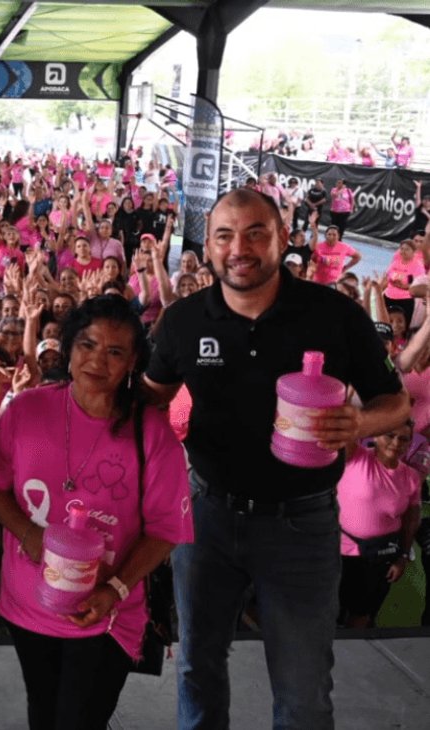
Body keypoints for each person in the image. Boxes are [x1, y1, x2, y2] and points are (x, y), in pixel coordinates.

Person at [143, 188, 408, 729]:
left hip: (302, 523)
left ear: (283, 238)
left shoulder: (334, 315)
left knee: (304, 685)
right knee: (197, 666)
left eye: (255, 232)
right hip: (206, 517)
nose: (239, 247)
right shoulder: (183, 321)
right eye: (224, 235)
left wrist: (359, 423)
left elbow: (395, 400)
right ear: (210, 246)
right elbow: (149, 399)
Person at [0, 294, 192, 730]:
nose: (98, 360)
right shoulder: (26, 410)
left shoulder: (151, 434)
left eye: (115, 351)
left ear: (134, 361)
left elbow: (165, 530)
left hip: (107, 615)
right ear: (68, 347)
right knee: (43, 714)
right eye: (87, 344)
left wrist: (114, 589)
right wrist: (28, 534)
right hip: (29, 607)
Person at [336, 421, 420, 628]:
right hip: (338, 553)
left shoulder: (410, 477)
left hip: (379, 557)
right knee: (327, 610)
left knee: (362, 613)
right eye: (389, 435)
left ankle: (355, 656)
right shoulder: (355, 457)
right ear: (374, 436)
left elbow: (411, 520)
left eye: (403, 439)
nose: (395, 443)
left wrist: (402, 556)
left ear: (409, 444)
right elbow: (344, 425)